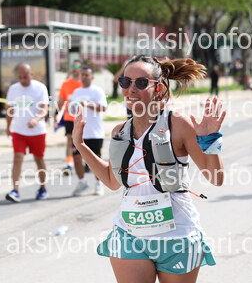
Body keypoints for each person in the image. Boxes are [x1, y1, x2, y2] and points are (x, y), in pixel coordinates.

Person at [72, 55, 225, 282]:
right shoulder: (119, 132)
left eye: (141, 83)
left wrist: (210, 140)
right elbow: (112, 181)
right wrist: (81, 146)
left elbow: (215, 177)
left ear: (158, 88)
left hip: (177, 236)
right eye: (125, 82)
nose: (131, 89)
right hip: (129, 235)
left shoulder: (178, 124)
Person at [5, 63, 49, 202]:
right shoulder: (13, 89)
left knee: (38, 159)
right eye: (20, 77)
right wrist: (8, 126)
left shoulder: (40, 88)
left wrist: (36, 119)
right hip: (19, 131)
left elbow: (44, 109)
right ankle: (15, 191)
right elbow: (10, 109)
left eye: (25, 77)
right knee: (17, 158)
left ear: (31, 74)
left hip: (37, 131)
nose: (23, 80)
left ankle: (42, 188)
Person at [70, 66, 108, 196]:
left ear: (92, 77)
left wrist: (88, 105)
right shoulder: (76, 92)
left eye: (87, 75)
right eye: (82, 75)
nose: (84, 77)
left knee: (95, 160)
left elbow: (103, 108)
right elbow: (73, 109)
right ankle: (82, 182)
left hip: (94, 132)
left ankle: (99, 183)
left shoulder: (97, 91)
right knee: (76, 158)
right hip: (79, 131)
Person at [57, 60, 83, 175]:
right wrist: (55, 114)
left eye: (77, 67)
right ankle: (69, 164)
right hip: (69, 117)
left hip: (82, 117)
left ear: (80, 69)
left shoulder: (83, 83)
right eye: (73, 66)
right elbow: (61, 100)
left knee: (82, 140)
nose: (75, 69)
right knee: (69, 139)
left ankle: (85, 162)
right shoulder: (66, 83)